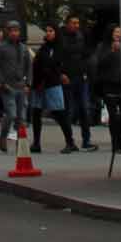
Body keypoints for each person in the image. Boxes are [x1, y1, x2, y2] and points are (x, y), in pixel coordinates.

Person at [30, 24, 77, 154]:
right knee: (36, 113)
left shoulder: (60, 48)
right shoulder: (44, 48)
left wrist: (61, 73)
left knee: (59, 113)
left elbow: (58, 65)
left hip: (52, 83)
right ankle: (36, 143)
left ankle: (70, 142)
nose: (48, 33)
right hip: (39, 84)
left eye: (51, 31)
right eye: (47, 31)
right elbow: (37, 64)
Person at [0, 20, 31, 151]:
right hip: (7, 87)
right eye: (12, 30)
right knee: (11, 114)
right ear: (7, 32)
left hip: (21, 85)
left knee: (22, 117)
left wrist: (28, 83)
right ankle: (3, 136)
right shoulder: (1, 47)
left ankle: (21, 144)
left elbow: (29, 67)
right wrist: (1, 83)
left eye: (17, 30)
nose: (14, 33)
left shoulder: (24, 48)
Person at [59, 16, 92, 148]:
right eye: (73, 23)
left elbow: (86, 55)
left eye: (78, 23)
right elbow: (58, 57)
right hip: (67, 77)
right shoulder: (61, 38)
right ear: (67, 24)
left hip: (80, 77)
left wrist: (85, 72)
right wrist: (61, 74)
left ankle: (86, 140)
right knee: (68, 110)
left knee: (84, 109)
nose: (76, 25)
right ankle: (69, 141)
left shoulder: (81, 36)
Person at [91, 26, 121, 154]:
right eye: (116, 32)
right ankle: (116, 144)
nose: (118, 34)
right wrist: (112, 51)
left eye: (120, 32)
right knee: (114, 116)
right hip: (109, 85)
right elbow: (99, 63)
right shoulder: (103, 46)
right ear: (110, 33)